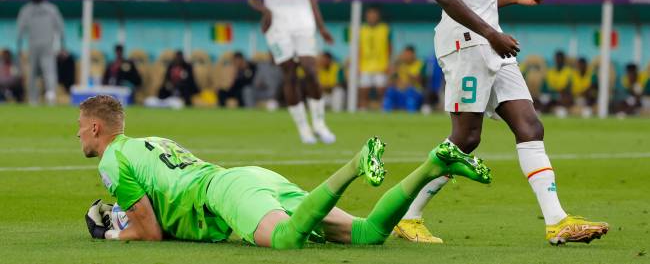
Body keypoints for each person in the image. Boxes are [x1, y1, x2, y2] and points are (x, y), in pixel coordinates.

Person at [392, 0, 609, 246]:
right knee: (465, 138)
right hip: (468, 41)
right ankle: (406, 215)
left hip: (486, 38)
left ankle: (557, 221)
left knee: (529, 125)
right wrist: (492, 32)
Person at [79, 95, 491, 247]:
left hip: (224, 194)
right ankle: (435, 163)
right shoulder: (152, 141)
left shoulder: (112, 159)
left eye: (80, 126)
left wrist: (112, 232)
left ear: (96, 127)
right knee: (367, 234)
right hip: (252, 180)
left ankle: (353, 164)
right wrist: (124, 214)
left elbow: (150, 232)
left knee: (284, 241)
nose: (78, 134)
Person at [247, 0, 336, 144]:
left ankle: (319, 123)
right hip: (278, 24)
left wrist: (322, 26)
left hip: (302, 19)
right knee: (289, 73)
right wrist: (265, 11)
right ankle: (303, 128)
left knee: (310, 69)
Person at [16, 0, 64, 105]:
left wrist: (19, 47)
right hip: (47, 45)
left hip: (34, 45)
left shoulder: (26, 9)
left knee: (33, 72)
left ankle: (34, 99)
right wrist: (63, 45)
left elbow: (20, 31)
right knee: (49, 71)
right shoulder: (51, 8)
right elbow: (61, 28)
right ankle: (49, 96)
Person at [358, 6, 391, 109]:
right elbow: (358, 48)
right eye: (370, 15)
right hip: (365, 65)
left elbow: (390, 47)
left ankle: (383, 108)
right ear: (366, 17)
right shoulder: (361, 29)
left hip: (381, 65)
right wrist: (357, 65)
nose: (372, 17)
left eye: (374, 15)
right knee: (364, 90)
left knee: (381, 90)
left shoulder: (385, 29)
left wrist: (389, 63)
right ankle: (363, 109)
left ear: (378, 17)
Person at [382, 46, 424, 113]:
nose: (406, 56)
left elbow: (419, 80)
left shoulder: (419, 64)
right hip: (399, 90)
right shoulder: (399, 64)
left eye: (408, 54)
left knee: (410, 95)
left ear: (413, 55)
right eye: (405, 54)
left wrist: (406, 72)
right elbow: (390, 80)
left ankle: (411, 116)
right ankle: (386, 116)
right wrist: (395, 66)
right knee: (390, 92)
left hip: (414, 91)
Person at [540, 51, 574, 118]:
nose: (558, 60)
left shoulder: (569, 72)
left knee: (565, 97)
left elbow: (568, 88)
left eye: (560, 58)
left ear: (563, 59)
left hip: (562, 96)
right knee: (542, 99)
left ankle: (559, 110)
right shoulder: (550, 71)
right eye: (557, 58)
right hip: (551, 95)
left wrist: (559, 91)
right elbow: (545, 88)